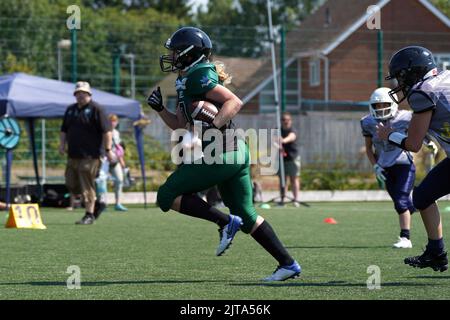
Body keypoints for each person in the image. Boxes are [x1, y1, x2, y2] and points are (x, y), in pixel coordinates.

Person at [147, 26, 301, 281]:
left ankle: (223, 222)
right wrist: (160, 109)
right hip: (234, 153)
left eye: (175, 52)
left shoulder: (199, 75)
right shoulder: (186, 79)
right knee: (247, 214)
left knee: (166, 195)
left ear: (188, 53)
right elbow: (180, 124)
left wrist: (212, 125)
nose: (171, 57)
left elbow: (234, 102)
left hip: (221, 153)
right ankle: (288, 263)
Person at [376, 46, 449, 272]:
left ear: (411, 72)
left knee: (422, 196)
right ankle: (435, 252)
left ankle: (436, 252)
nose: (399, 82)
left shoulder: (423, 91)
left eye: (400, 76)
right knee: (423, 195)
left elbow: (413, 145)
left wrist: (389, 135)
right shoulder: (445, 78)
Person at [361, 87, 416, 249]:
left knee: (400, 202)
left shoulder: (406, 118)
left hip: (404, 165)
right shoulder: (367, 122)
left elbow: (421, 131)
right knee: (404, 203)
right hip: (385, 167)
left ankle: (405, 237)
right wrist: (375, 166)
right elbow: (368, 148)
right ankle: (421, 200)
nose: (380, 108)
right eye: (377, 106)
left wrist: (429, 141)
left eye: (384, 104)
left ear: (392, 103)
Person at [59, 81, 113, 225]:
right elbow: (64, 130)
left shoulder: (97, 109)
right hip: (73, 154)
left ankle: (89, 214)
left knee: (86, 184)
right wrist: (62, 145)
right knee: (71, 183)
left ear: (89, 94)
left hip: (91, 155)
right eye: (78, 93)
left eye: (83, 93)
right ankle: (99, 201)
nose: (80, 95)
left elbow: (107, 131)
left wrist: (107, 149)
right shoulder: (70, 110)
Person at [278, 112, 300, 206]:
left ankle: (296, 200)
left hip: (292, 158)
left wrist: (283, 141)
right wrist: (277, 144)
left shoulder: (292, 130)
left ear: (290, 121)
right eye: (283, 120)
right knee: (283, 180)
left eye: (287, 120)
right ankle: (283, 199)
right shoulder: (278, 130)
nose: (285, 122)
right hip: (281, 159)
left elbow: (292, 137)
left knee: (293, 178)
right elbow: (273, 140)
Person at [108, 114, 128, 211]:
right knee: (101, 181)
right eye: (111, 121)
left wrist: (121, 160)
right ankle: (101, 203)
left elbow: (118, 148)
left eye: (114, 121)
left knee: (119, 180)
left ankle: (118, 203)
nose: (113, 123)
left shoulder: (116, 133)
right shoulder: (103, 131)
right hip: (104, 161)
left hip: (115, 160)